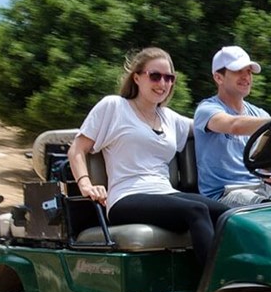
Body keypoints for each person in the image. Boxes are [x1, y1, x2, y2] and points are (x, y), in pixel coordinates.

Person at [67, 47, 228, 266]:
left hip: (165, 194)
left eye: (169, 78)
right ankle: (214, 291)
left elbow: (214, 126)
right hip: (126, 197)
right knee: (196, 209)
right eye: (155, 76)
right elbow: (77, 149)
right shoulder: (114, 107)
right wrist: (86, 185)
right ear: (137, 77)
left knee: (230, 215)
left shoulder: (170, 118)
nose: (163, 84)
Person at [194, 45, 271, 207]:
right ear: (218, 78)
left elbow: (264, 162)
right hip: (226, 194)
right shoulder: (207, 110)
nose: (246, 77)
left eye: (249, 72)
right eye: (238, 71)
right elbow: (234, 125)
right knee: (265, 209)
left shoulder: (260, 114)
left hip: (264, 192)